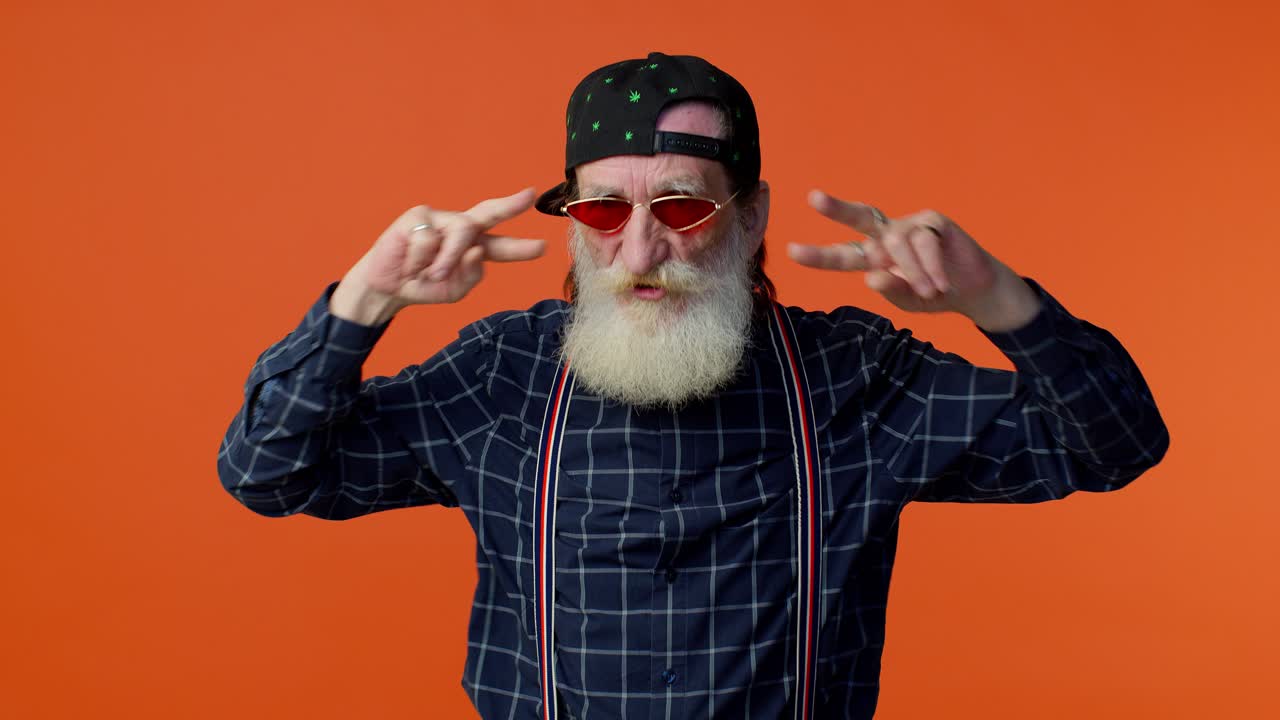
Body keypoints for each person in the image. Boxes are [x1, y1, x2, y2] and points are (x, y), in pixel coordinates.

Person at [217, 52, 1169, 719]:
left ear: (751, 216)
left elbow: (1112, 446)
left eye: (680, 204)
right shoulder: (499, 374)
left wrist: (998, 300)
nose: (640, 248)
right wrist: (365, 299)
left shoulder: (856, 378)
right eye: (601, 206)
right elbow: (267, 472)